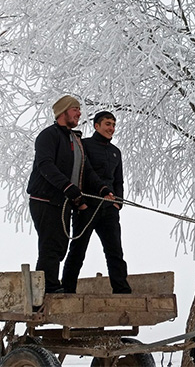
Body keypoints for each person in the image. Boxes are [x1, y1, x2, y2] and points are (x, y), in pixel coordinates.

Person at [27, 95, 101, 294]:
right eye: (75, 109)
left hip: (64, 201)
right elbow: (45, 165)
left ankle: (50, 284)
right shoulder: (48, 136)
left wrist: (102, 189)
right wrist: (67, 187)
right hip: (45, 198)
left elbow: (85, 171)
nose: (79, 113)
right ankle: (47, 288)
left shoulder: (74, 139)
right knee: (50, 244)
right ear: (63, 112)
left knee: (60, 244)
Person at [60, 110, 132, 294]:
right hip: (87, 206)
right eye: (108, 124)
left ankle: (121, 289)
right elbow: (85, 172)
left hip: (109, 209)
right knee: (78, 249)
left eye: (114, 125)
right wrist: (81, 202)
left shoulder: (116, 152)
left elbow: (118, 181)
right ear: (97, 125)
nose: (112, 128)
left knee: (115, 251)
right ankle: (67, 289)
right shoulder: (84, 146)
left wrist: (118, 203)